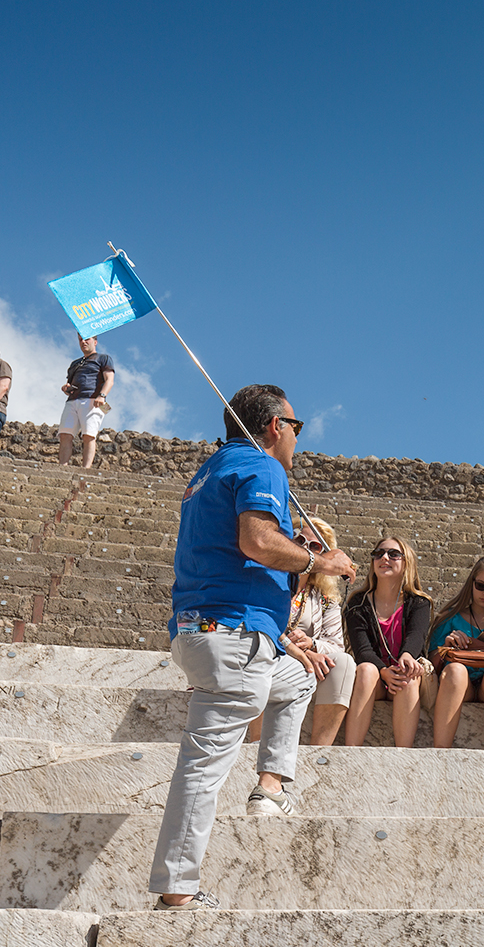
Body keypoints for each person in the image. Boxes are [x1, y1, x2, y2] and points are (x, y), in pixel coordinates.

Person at [149, 383, 358, 911]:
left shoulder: (211, 470)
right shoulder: (264, 466)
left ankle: (270, 786)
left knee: (301, 677)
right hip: (232, 635)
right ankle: (177, 891)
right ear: (273, 427)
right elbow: (256, 542)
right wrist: (318, 563)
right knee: (203, 766)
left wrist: (295, 554)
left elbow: (241, 546)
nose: (296, 437)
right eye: (296, 426)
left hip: (208, 630)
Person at [342, 535, 433, 748]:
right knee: (366, 669)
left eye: (393, 554)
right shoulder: (358, 603)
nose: (384, 558)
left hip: (403, 675)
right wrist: (383, 670)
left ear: (406, 562)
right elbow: (361, 648)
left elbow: (416, 637)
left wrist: (406, 656)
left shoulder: (419, 602)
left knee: (407, 676)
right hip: (375, 677)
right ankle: (350, 752)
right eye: (378, 554)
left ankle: (403, 754)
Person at [273, 516, 357, 745]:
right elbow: (263, 624)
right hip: (275, 651)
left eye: (315, 546)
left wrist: (312, 644)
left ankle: (319, 749)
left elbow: (336, 645)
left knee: (345, 662)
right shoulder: (270, 582)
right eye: (298, 540)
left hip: (310, 661)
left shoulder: (325, 598)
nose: (305, 548)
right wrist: (301, 651)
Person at [423, 555, 484, 749]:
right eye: (480, 585)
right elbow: (430, 664)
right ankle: (440, 752)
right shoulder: (449, 618)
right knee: (456, 670)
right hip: (458, 684)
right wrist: (446, 647)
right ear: (471, 583)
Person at [58, 334, 114, 469]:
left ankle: (86, 470)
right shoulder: (75, 363)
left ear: (95, 342)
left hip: (93, 401)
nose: (83, 342)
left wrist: (102, 395)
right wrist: (66, 388)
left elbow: (109, 380)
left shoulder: (104, 358)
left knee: (89, 435)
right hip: (72, 401)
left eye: (86, 339)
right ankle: (63, 468)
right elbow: (69, 384)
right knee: (65, 435)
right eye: (80, 340)